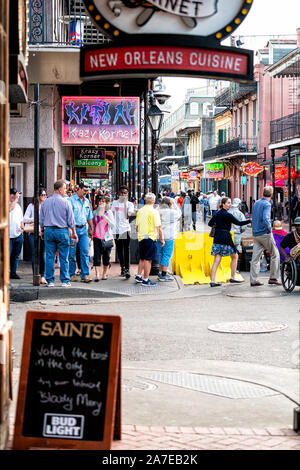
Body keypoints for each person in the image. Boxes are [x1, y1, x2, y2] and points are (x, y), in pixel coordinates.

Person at [39, 180, 78, 287]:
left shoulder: (45, 202)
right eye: (65, 188)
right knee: (64, 257)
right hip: (62, 231)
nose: (66, 190)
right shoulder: (66, 202)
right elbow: (71, 220)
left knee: (50, 257)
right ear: (60, 189)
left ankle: (50, 281)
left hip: (48, 230)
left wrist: (42, 231)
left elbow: (41, 220)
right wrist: (74, 233)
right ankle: (65, 281)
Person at [208, 197, 251, 287]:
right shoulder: (228, 215)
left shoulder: (217, 214)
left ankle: (213, 280)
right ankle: (233, 276)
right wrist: (249, 221)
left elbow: (210, 224)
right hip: (226, 238)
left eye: (230, 203)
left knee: (217, 259)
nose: (230, 204)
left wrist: (218, 225)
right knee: (235, 256)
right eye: (228, 203)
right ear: (223, 204)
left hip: (217, 237)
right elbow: (239, 223)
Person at [250, 186, 281, 287]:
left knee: (255, 258)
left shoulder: (257, 203)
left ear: (262, 193)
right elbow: (266, 218)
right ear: (271, 195)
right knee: (275, 254)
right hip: (264, 233)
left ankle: (253, 280)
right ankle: (273, 278)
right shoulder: (267, 204)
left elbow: (253, 217)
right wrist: (269, 230)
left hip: (256, 233)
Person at [135, 192, 164, 286]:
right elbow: (158, 227)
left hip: (141, 237)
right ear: (154, 201)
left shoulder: (140, 211)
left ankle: (138, 276)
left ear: (145, 201)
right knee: (148, 260)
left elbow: (136, 226)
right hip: (150, 237)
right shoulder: (154, 212)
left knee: (142, 258)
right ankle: (146, 279)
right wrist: (162, 239)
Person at [69, 182, 94, 283]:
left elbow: (89, 216)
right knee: (72, 253)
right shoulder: (70, 200)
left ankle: (85, 274)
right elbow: (68, 216)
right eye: (84, 190)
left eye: (87, 191)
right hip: (73, 229)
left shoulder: (87, 201)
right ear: (78, 189)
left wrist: (91, 228)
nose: (85, 192)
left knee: (84, 252)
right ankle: (71, 274)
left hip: (83, 229)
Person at [23, 188, 47, 284]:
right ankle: (35, 275)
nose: (43, 196)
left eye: (45, 195)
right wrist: (34, 219)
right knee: (35, 254)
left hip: (44, 233)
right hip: (33, 233)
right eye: (42, 195)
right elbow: (25, 219)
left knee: (43, 255)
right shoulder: (31, 206)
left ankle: (43, 276)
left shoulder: (47, 206)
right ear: (38, 196)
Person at [111, 185, 135, 279]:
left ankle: (127, 269)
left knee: (127, 249)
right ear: (118, 194)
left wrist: (124, 204)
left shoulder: (130, 204)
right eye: (121, 193)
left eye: (125, 193)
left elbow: (128, 216)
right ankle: (122, 268)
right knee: (119, 250)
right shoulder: (114, 203)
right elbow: (112, 215)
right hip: (116, 230)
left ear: (127, 194)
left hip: (126, 229)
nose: (123, 195)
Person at [157, 197, 181, 282]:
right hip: (169, 236)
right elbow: (179, 213)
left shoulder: (157, 212)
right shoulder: (173, 212)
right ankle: (164, 274)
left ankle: (160, 272)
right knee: (167, 255)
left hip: (159, 236)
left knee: (160, 254)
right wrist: (174, 204)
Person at [92, 195, 115, 281]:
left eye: (103, 201)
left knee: (106, 257)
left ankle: (104, 274)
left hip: (106, 238)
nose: (101, 203)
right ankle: (97, 274)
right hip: (96, 237)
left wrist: (105, 217)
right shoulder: (94, 212)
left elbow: (112, 225)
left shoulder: (108, 212)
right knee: (97, 256)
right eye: (99, 201)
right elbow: (92, 224)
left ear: (105, 203)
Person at [9, 188, 24, 279]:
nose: (15, 196)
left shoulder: (18, 206)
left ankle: (13, 272)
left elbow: (21, 219)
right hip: (8, 236)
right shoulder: (5, 204)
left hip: (18, 235)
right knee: (7, 255)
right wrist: (15, 199)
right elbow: (10, 209)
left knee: (16, 255)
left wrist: (22, 228)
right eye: (13, 194)